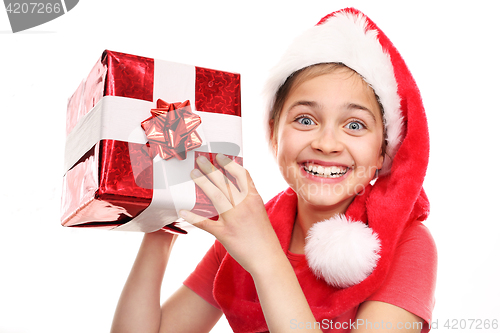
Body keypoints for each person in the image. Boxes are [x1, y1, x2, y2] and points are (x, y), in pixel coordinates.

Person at [111, 7, 437, 333]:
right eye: (305, 120)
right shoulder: (246, 229)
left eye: (355, 125)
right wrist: (162, 222)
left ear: (384, 151)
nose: (327, 143)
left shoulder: (408, 244)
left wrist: (265, 258)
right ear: (273, 133)